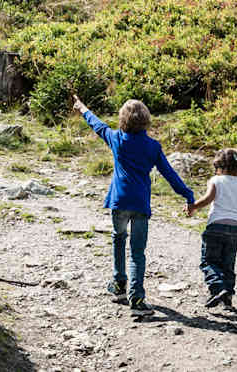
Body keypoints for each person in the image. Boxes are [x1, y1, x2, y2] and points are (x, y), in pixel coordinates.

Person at [72, 95, 195, 316]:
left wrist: (82, 108)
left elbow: (97, 125)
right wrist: (188, 195)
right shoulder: (152, 147)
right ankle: (136, 298)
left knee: (118, 239)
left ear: (123, 120)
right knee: (137, 252)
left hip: (119, 202)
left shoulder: (116, 138)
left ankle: (119, 284)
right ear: (146, 120)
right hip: (140, 205)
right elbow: (170, 174)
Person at [188, 148, 237, 309]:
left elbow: (208, 199)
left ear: (219, 167)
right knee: (228, 264)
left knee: (209, 261)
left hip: (216, 226)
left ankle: (218, 288)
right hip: (235, 230)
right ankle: (227, 297)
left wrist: (193, 206)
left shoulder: (216, 180)